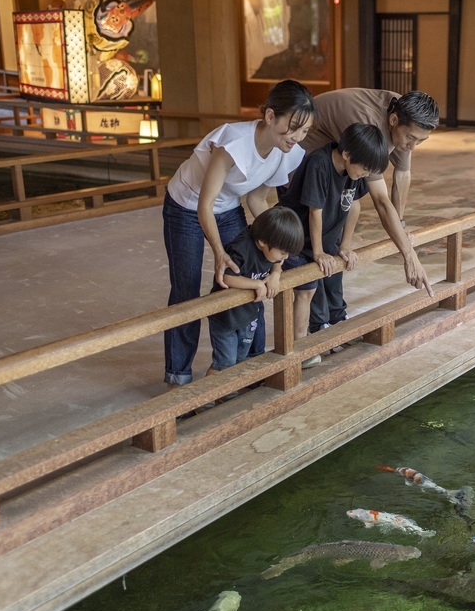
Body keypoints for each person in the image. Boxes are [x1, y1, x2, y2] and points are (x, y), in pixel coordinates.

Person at [161, 80, 316, 388]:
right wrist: (219, 253)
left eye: (305, 131)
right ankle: (178, 377)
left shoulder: (287, 152)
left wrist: (277, 254)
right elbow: (204, 205)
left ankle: (249, 364)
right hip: (187, 205)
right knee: (187, 291)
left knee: (252, 274)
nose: (297, 137)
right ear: (271, 117)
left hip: (229, 205)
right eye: (293, 127)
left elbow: (257, 200)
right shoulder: (234, 141)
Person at [297, 88, 439, 298]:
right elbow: (380, 201)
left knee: (337, 235)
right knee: (313, 243)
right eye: (411, 138)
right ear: (393, 119)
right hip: (301, 151)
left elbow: (402, 173)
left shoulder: (407, 113)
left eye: (420, 140)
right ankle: (316, 312)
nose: (413, 146)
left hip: (338, 162)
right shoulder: (369, 125)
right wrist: (410, 257)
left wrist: (399, 225)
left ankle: (332, 308)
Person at [278, 123, 389, 366]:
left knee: (334, 276)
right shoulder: (319, 163)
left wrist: (344, 246)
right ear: (347, 154)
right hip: (298, 240)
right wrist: (318, 252)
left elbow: (354, 205)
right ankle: (304, 344)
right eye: (364, 169)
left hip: (327, 237)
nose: (364, 174)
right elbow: (314, 211)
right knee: (309, 287)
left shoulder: (354, 172)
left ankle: (337, 323)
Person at [205, 207, 304, 376]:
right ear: (263, 242)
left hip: (247, 315)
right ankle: (208, 399)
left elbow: (277, 261)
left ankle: (230, 392)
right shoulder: (241, 249)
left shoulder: (270, 249)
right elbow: (227, 277)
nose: (284, 258)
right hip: (225, 318)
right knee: (224, 363)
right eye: (282, 252)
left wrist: (276, 273)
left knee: (240, 359)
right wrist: (256, 284)